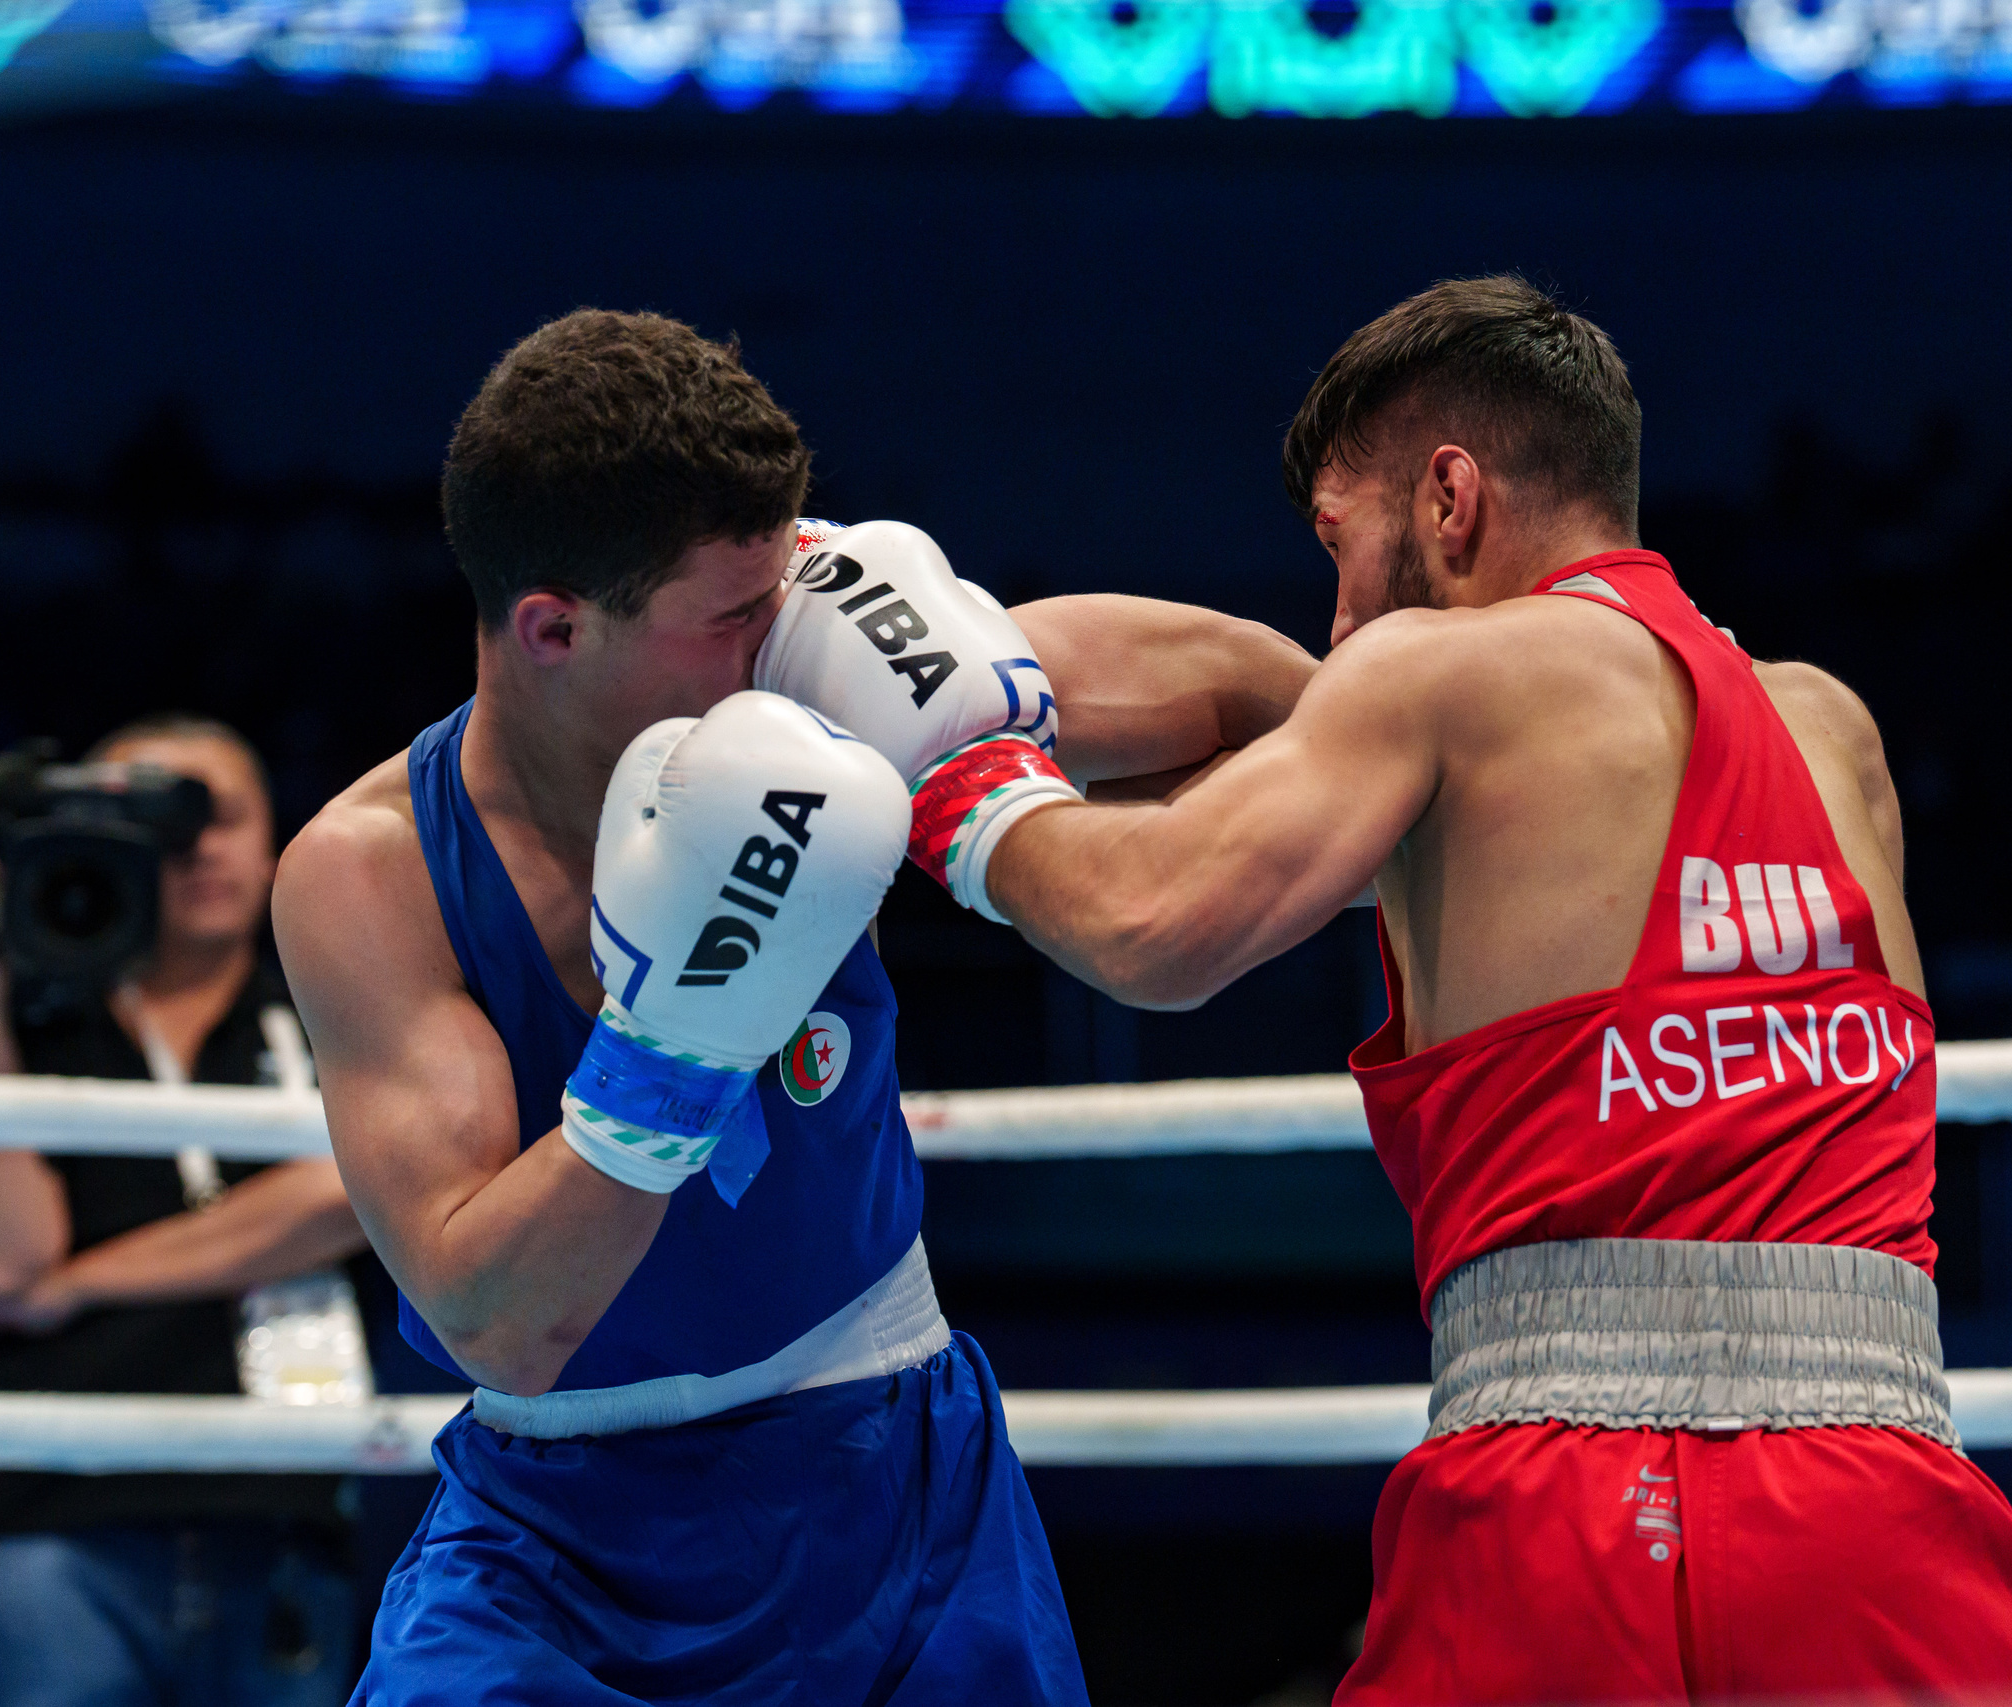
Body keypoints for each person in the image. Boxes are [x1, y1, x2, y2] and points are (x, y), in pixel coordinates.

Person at [787, 276, 2012, 1703]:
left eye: (1342, 544)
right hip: (1894, 1503)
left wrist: (951, 773)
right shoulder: (1829, 727)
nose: (1344, 617)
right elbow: (1257, 704)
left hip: (1575, 1500)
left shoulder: (1432, 683)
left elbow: (1153, 918)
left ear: (1450, 496)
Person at [270, 308, 1313, 1705]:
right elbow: (497, 1317)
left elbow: (1274, 711)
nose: (791, 633)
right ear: (554, 626)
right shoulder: (376, 875)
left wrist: (984, 767)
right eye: (737, 612)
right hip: (554, 1551)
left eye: (793, 574)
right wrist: (679, 1039)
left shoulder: (818, 668)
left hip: (894, 1484)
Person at [0, 713, 373, 1707]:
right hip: (47, 1521)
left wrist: (72, 1284)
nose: (196, 844)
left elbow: (353, 1189)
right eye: (156, 820)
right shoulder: (24, 1017)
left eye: (220, 814)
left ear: (276, 839)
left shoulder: (342, 1003)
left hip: (280, 1517)